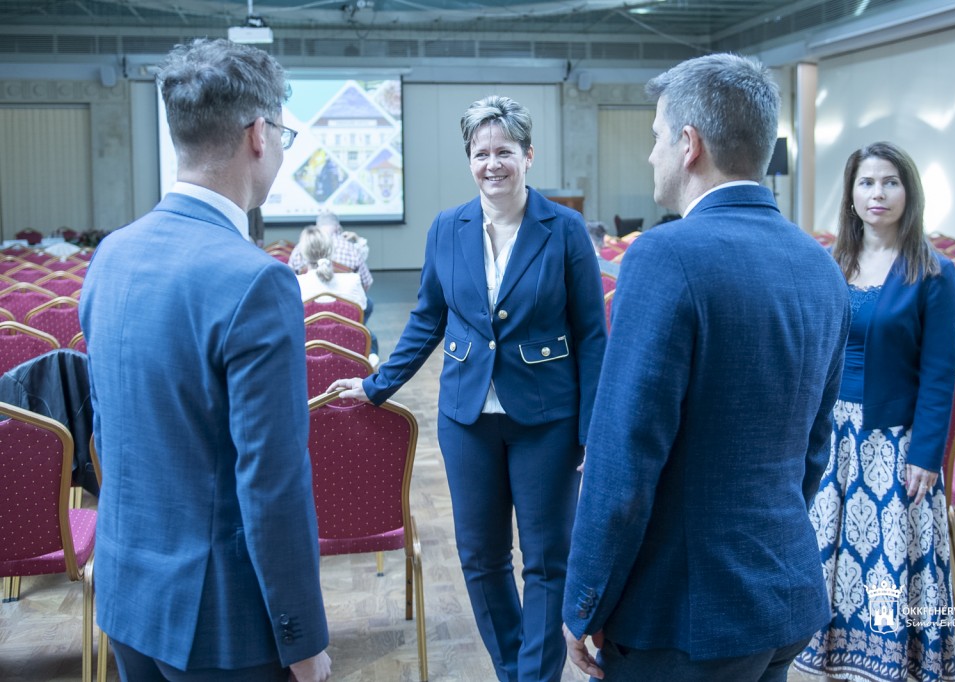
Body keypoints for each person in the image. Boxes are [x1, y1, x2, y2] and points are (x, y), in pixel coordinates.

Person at [561, 53, 851, 681]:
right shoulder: (820, 265)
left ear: (689, 145)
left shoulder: (665, 256)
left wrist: (585, 600)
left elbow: (624, 458)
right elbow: (813, 449)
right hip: (783, 594)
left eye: (656, 136)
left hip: (683, 615)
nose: (651, 154)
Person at [79, 38, 331, 682]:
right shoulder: (256, 280)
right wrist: (303, 639)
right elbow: (272, 482)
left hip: (127, 596)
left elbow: (108, 434)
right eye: (284, 134)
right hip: (223, 624)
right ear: (258, 135)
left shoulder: (111, 256)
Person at [331, 94, 607, 681]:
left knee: (546, 560)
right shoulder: (446, 228)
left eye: (504, 151)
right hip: (466, 417)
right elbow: (428, 318)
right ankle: (514, 671)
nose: (492, 164)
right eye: (481, 153)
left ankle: (535, 676)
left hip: (548, 419)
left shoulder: (564, 230)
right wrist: (379, 385)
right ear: (469, 160)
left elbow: (591, 335)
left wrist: (592, 429)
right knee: (480, 558)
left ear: (528, 155)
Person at [794, 142, 955, 681]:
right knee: (831, 555)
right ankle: (836, 659)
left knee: (888, 559)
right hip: (831, 436)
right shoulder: (832, 262)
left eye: (890, 182)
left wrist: (927, 454)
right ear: (851, 194)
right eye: (866, 182)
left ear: (908, 192)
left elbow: (940, 374)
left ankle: (889, 662)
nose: (877, 193)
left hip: (895, 441)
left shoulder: (933, 272)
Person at [296, 225, 368, 310]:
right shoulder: (353, 281)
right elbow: (363, 307)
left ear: (303, 254)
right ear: (331, 251)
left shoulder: (296, 284)